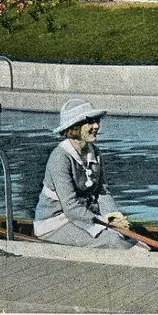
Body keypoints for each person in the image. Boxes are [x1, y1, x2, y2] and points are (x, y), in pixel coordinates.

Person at [33, 98, 136, 248]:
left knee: (129, 235)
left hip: (83, 218)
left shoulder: (95, 152)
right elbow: (71, 207)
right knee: (117, 242)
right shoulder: (60, 158)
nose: (96, 126)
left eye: (97, 121)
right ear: (74, 127)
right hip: (54, 223)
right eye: (90, 122)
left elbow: (102, 191)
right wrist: (105, 222)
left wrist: (114, 217)